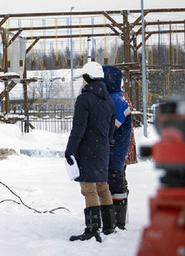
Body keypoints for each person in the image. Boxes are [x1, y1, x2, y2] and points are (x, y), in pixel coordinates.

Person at [65, 61, 116, 242]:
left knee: (89, 189)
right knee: (103, 187)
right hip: (102, 149)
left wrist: (69, 151)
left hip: (87, 149)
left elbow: (78, 128)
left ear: (86, 78)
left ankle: (93, 228)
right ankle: (109, 226)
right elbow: (111, 130)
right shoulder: (108, 100)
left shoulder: (84, 99)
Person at [102, 65, 132, 230]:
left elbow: (109, 128)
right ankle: (114, 219)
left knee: (115, 185)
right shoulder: (114, 98)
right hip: (113, 153)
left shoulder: (116, 101)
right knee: (114, 184)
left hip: (114, 153)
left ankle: (118, 221)